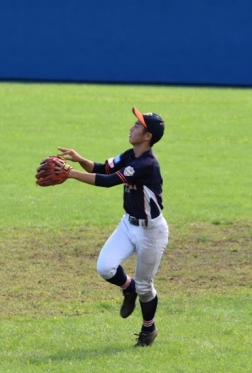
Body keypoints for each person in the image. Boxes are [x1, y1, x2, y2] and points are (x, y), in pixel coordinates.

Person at [57, 108, 169, 347]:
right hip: (128, 224)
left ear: (148, 136)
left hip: (151, 232)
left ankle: (148, 329)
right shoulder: (131, 155)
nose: (132, 127)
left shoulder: (147, 164)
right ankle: (129, 289)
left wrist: (71, 174)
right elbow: (102, 169)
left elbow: (108, 182)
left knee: (145, 287)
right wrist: (80, 160)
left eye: (137, 126)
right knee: (105, 268)